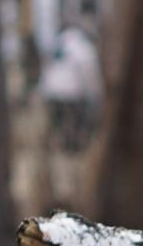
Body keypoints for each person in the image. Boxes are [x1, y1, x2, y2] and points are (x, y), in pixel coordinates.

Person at [40, 23, 102, 154]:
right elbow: (91, 77)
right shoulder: (85, 47)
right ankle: (71, 151)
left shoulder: (57, 42)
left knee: (59, 123)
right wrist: (95, 96)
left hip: (50, 93)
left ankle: (60, 149)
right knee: (73, 124)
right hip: (72, 94)